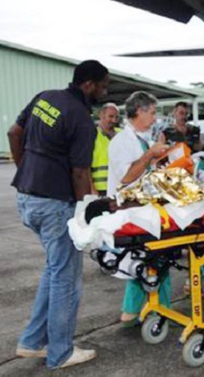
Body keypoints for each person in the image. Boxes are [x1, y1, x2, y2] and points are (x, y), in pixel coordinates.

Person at [8, 60, 109, 369]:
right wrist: (83, 216)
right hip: (54, 205)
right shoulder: (80, 118)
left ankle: (32, 341)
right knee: (66, 278)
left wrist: (25, 169)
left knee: (54, 269)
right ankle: (61, 352)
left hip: (26, 196)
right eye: (103, 85)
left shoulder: (45, 97)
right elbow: (80, 173)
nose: (105, 91)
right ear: (89, 84)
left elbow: (14, 133)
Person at [107, 91, 171, 326]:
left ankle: (133, 311)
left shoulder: (146, 137)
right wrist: (149, 155)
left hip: (147, 207)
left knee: (154, 257)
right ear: (139, 111)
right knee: (147, 260)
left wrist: (161, 156)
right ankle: (154, 310)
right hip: (130, 210)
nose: (155, 118)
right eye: (152, 113)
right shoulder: (120, 142)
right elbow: (126, 177)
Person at [91, 103, 121, 196]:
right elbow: (85, 167)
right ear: (101, 115)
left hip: (120, 187)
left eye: (116, 117)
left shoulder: (122, 134)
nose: (114, 120)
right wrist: (92, 189)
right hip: (100, 189)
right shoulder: (92, 135)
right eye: (111, 116)